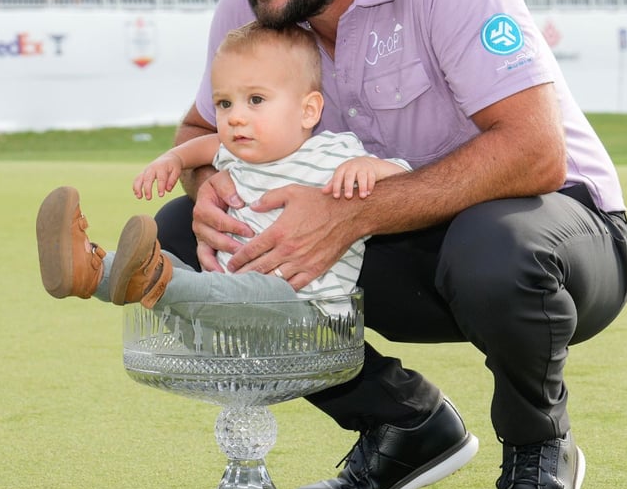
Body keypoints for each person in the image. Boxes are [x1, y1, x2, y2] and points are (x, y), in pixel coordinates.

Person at [163, 0, 627, 489]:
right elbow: (198, 128)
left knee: (492, 245)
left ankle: (540, 449)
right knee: (184, 236)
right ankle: (404, 426)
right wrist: (209, 187)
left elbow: (535, 153)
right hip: (387, 247)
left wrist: (348, 216)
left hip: (558, 242)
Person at [35, 22, 411, 314]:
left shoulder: (333, 152)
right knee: (183, 273)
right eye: (224, 103)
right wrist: (173, 159)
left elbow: (403, 178)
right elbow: (204, 145)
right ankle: (91, 268)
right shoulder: (237, 154)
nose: (235, 118)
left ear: (308, 110)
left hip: (300, 313)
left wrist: (370, 168)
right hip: (226, 306)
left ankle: (153, 277)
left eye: (256, 99)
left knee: (212, 284)